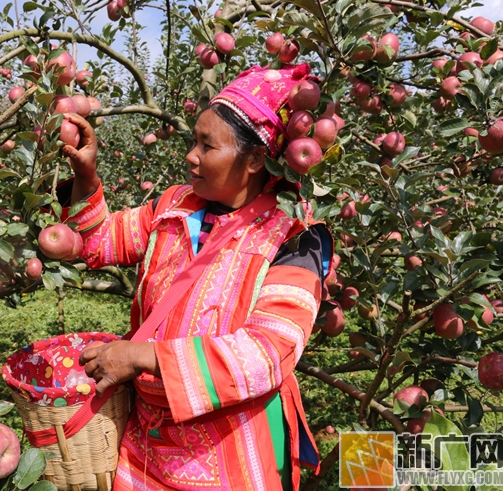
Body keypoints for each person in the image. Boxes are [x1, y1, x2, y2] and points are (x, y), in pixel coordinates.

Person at [60, 63, 331, 491]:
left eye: (208, 146)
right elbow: (100, 244)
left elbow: (266, 353)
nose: (191, 156)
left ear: (257, 158)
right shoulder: (174, 205)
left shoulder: (295, 238)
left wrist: (141, 357)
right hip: (143, 450)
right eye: (193, 140)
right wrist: (86, 176)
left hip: (228, 454)